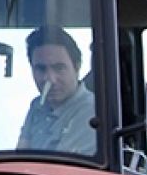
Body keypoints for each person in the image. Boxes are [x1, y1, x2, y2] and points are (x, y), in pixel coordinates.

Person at [17, 26, 95, 154]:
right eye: (41, 69)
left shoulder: (91, 110)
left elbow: (61, 168)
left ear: (77, 67)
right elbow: (20, 155)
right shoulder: (37, 106)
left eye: (59, 68)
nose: (50, 79)